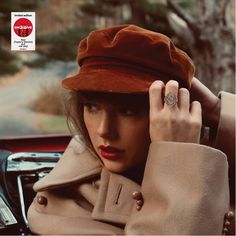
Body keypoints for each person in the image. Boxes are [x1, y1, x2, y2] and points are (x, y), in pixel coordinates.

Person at [27, 24, 235, 235]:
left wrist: (216, 112)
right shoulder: (62, 207)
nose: (104, 130)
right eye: (92, 107)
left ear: (169, 112)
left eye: (128, 111)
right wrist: (178, 159)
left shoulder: (209, 159)